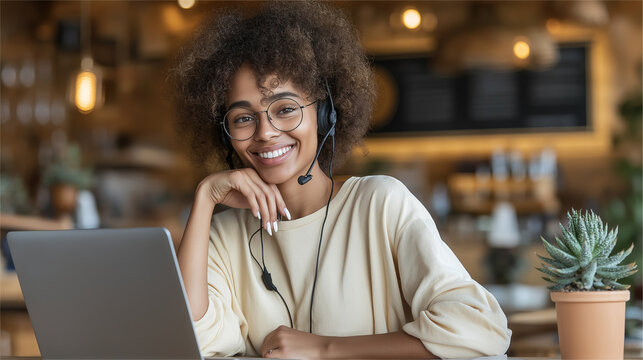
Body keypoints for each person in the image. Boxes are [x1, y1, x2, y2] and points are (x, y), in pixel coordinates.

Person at [172, 2, 511, 359]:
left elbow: (480, 329)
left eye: (285, 109)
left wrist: (324, 349)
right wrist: (206, 196)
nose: (266, 133)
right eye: (243, 118)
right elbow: (188, 343)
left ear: (324, 114)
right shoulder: (222, 237)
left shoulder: (380, 204)